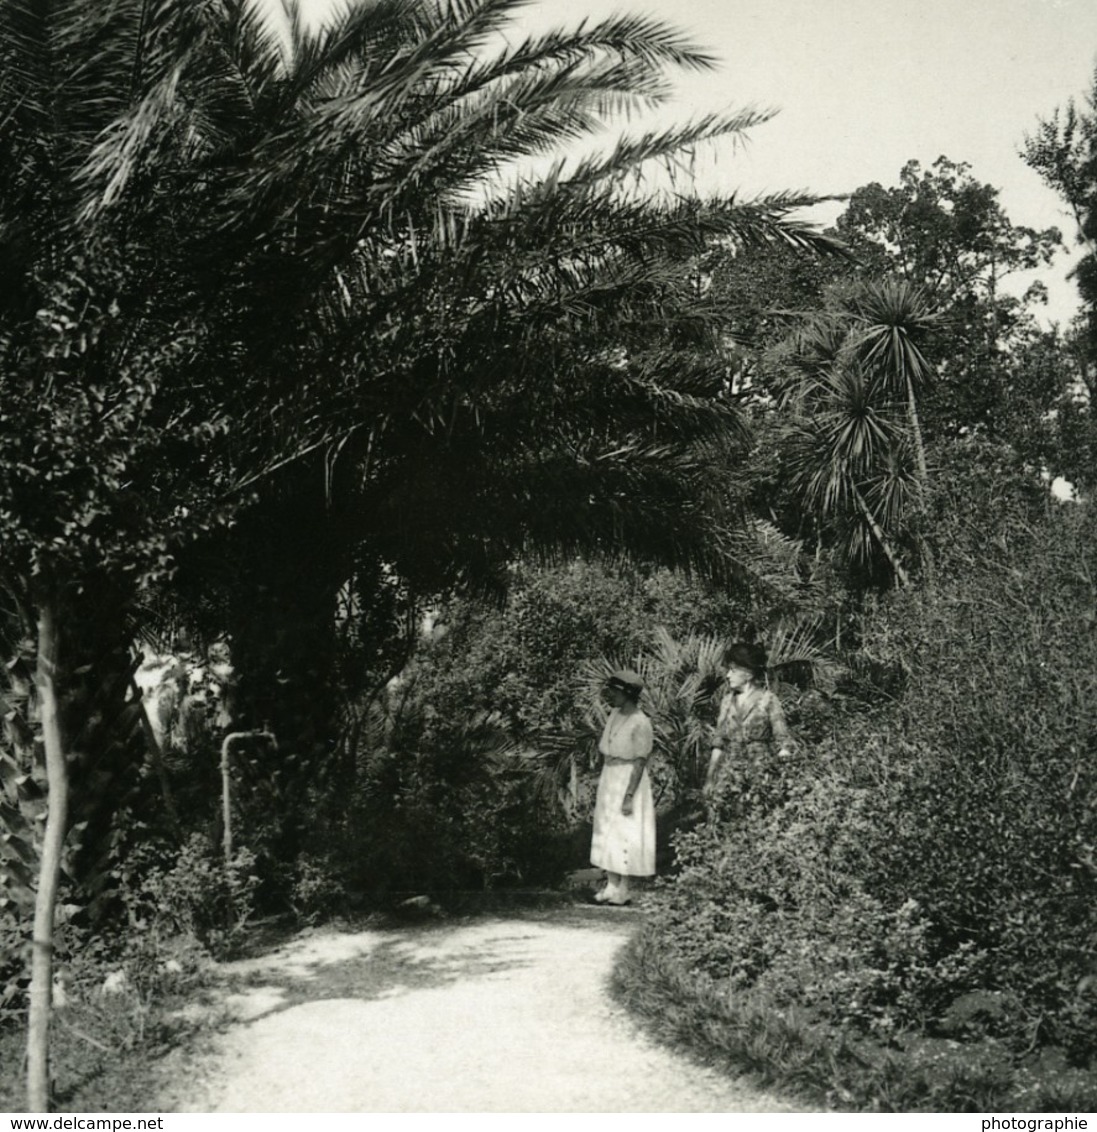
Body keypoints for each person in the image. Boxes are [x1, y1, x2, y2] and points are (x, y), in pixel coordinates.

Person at [590, 669, 655, 905]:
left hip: (629, 777)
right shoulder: (615, 714)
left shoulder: (641, 722)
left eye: (616, 692)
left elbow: (640, 760)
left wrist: (629, 795)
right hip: (611, 775)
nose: (612, 696)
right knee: (607, 828)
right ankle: (611, 884)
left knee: (625, 830)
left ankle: (624, 889)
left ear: (628, 694)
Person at [704, 642, 792, 797]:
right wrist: (710, 779)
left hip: (759, 773)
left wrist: (781, 773)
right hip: (729, 774)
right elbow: (719, 742)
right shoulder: (727, 701)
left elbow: (782, 738)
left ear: (748, 674)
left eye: (733, 670)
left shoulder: (768, 700)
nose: (728, 675)